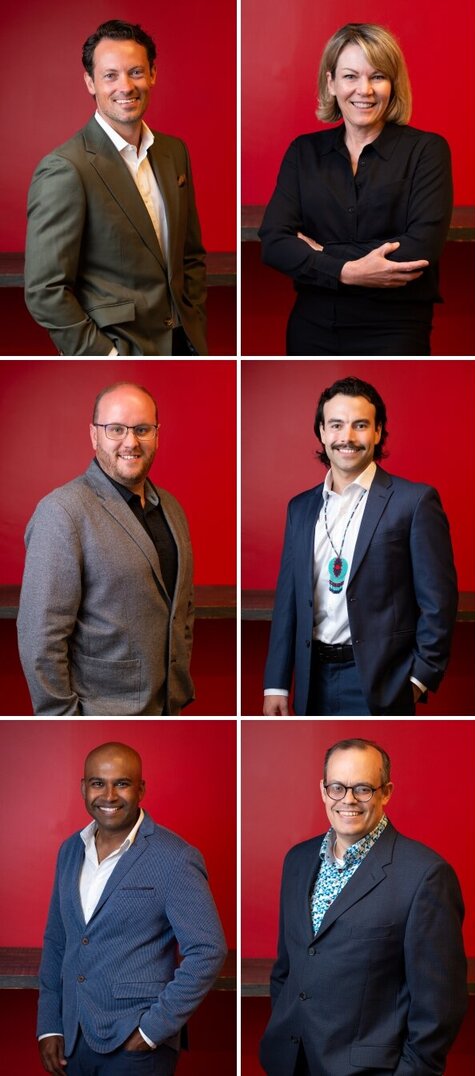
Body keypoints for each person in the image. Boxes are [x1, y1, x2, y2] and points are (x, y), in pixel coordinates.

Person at [260, 738, 467, 1075]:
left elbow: (440, 1006)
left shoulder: (426, 875)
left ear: (386, 792)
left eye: (363, 789)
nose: (348, 800)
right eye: (337, 788)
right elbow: (289, 966)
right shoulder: (297, 860)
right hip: (288, 1061)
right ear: (324, 791)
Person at [264, 376, 457, 716]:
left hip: (383, 683)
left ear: (378, 432)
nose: (347, 438)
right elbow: (288, 601)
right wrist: (277, 683)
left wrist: (418, 680)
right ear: (322, 433)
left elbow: (439, 601)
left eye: (360, 425)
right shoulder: (300, 508)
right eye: (336, 425)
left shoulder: (414, 501)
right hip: (312, 680)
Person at [259, 24, 452, 355]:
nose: (365, 89)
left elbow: (421, 248)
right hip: (314, 325)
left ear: (393, 84)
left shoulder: (426, 150)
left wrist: (321, 253)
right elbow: (274, 242)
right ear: (331, 83)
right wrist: (347, 271)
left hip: (395, 326)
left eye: (377, 76)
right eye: (351, 77)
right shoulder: (303, 152)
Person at [37, 742, 226, 1076]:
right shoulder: (70, 850)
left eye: (121, 783)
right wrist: (50, 1024)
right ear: (84, 788)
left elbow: (208, 950)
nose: (109, 796)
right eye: (98, 783)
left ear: (141, 789)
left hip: (135, 1047)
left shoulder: (175, 857)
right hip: (73, 1037)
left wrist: (150, 1032)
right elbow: (57, 940)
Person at [25, 20, 207, 356]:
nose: (126, 86)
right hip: (120, 346)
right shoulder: (66, 168)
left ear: (152, 73)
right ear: (90, 82)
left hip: (185, 343)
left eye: (136, 71)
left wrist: (193, 317)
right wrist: (104, 355)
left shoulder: (174, 152)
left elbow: (190, 254)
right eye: (110, 75)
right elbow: (44, 290)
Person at [18, 383, 194, 715]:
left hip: (168, 705)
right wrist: (63, 716)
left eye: (142, 429)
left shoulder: (171, 508)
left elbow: (183, 607)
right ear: (94, 435)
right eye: (116, 429)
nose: (131, 442)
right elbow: (40, 638)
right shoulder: (62, 511)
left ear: (157, 434)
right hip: (99, 708)